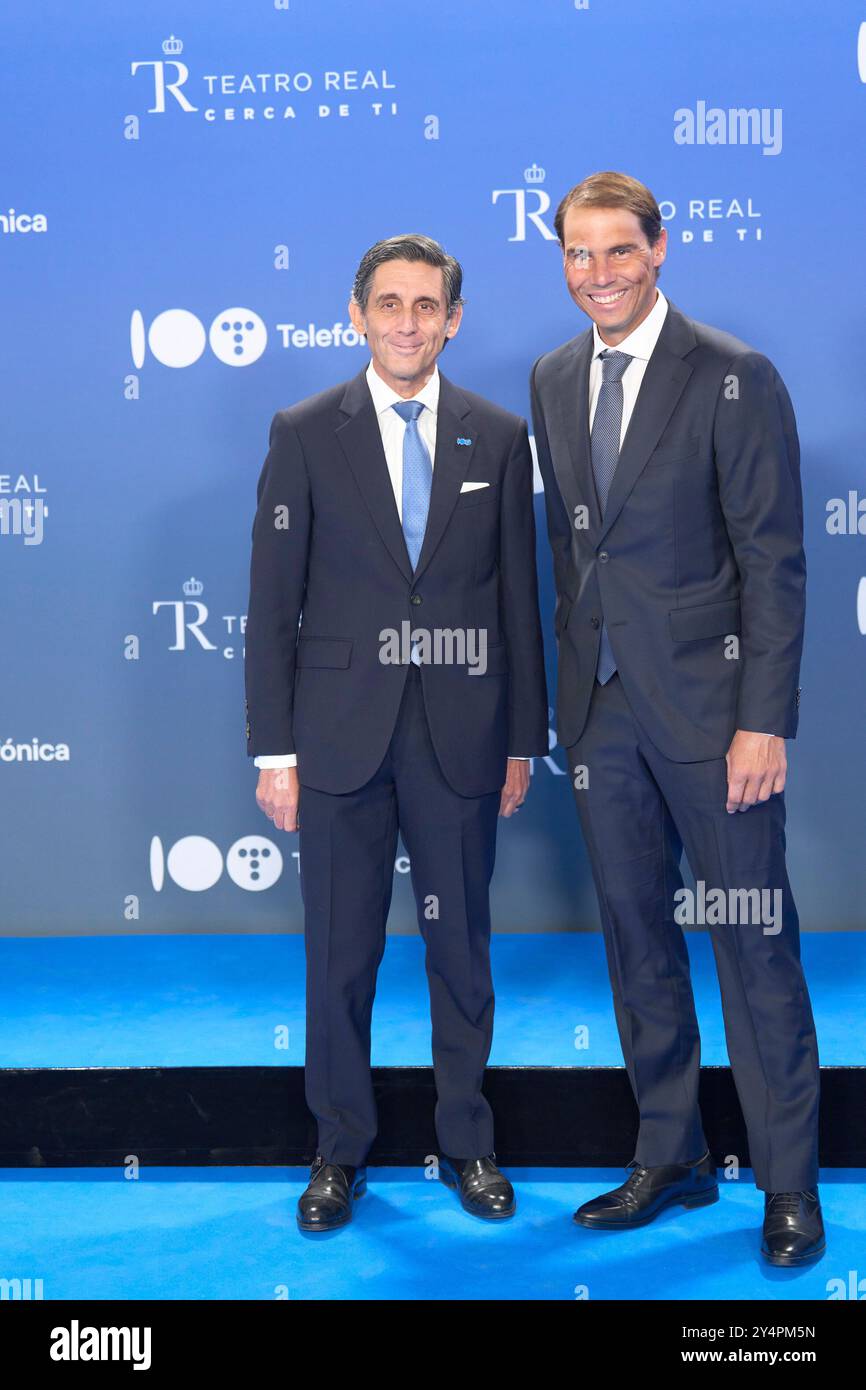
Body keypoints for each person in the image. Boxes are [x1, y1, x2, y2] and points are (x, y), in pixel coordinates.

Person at [530, 171, 823, 1266]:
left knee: (751, 944)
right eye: (576, 253)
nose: (595, 273)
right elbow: (571, 551)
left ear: (659, 249)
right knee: (636, 939)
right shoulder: (553, 377)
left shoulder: (734, 375)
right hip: (603, 717)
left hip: (714, 719)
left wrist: (762, 719)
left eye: (616, 250)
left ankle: (786, 1183)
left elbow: (773, 563)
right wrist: (566, 704)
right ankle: (674, 1154)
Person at [245, 234, 548, 1231]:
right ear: (356, 314)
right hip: (335, 739)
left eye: (427, 305)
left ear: (453, 319)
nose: (407, 321)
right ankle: (338, 1152)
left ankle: (468, 1144)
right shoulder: (302, 430)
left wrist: (519, 739)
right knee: (338, 956)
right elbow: (269, 604)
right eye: (389, 304)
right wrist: (273, 749)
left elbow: (516, 602)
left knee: (460, 949)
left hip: (461, 737)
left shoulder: (497, 436)